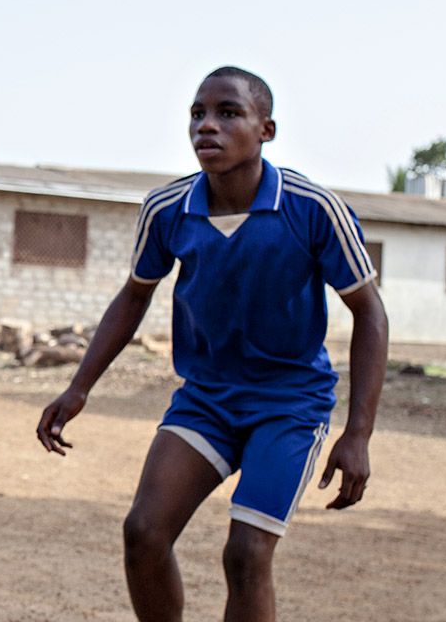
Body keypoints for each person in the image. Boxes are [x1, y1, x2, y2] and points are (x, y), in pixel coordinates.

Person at [35, 66, 389, 621]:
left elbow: (370, 313)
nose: (207, 126)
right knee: (144, 533)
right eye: (198, 113)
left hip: (289, 405)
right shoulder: (168, 210)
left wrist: (359, 432)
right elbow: (134, 296)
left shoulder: (313, 208)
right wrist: (79, 388)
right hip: (207, 400)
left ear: (266, 129)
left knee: (246, 555)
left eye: (228, 113)